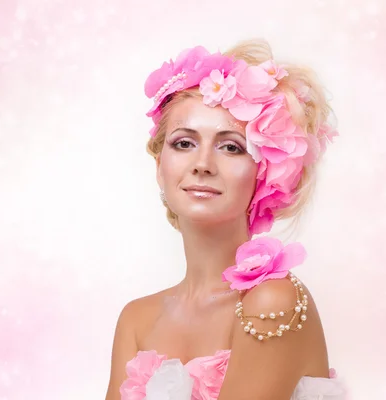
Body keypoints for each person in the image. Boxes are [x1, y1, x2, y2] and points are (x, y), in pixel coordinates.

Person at [104, 39, 346, 400]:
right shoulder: (136, 319)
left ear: (264, 173)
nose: (202, 164)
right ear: (160, 166)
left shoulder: (271, 300)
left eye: (231, 146)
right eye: (184, 143)